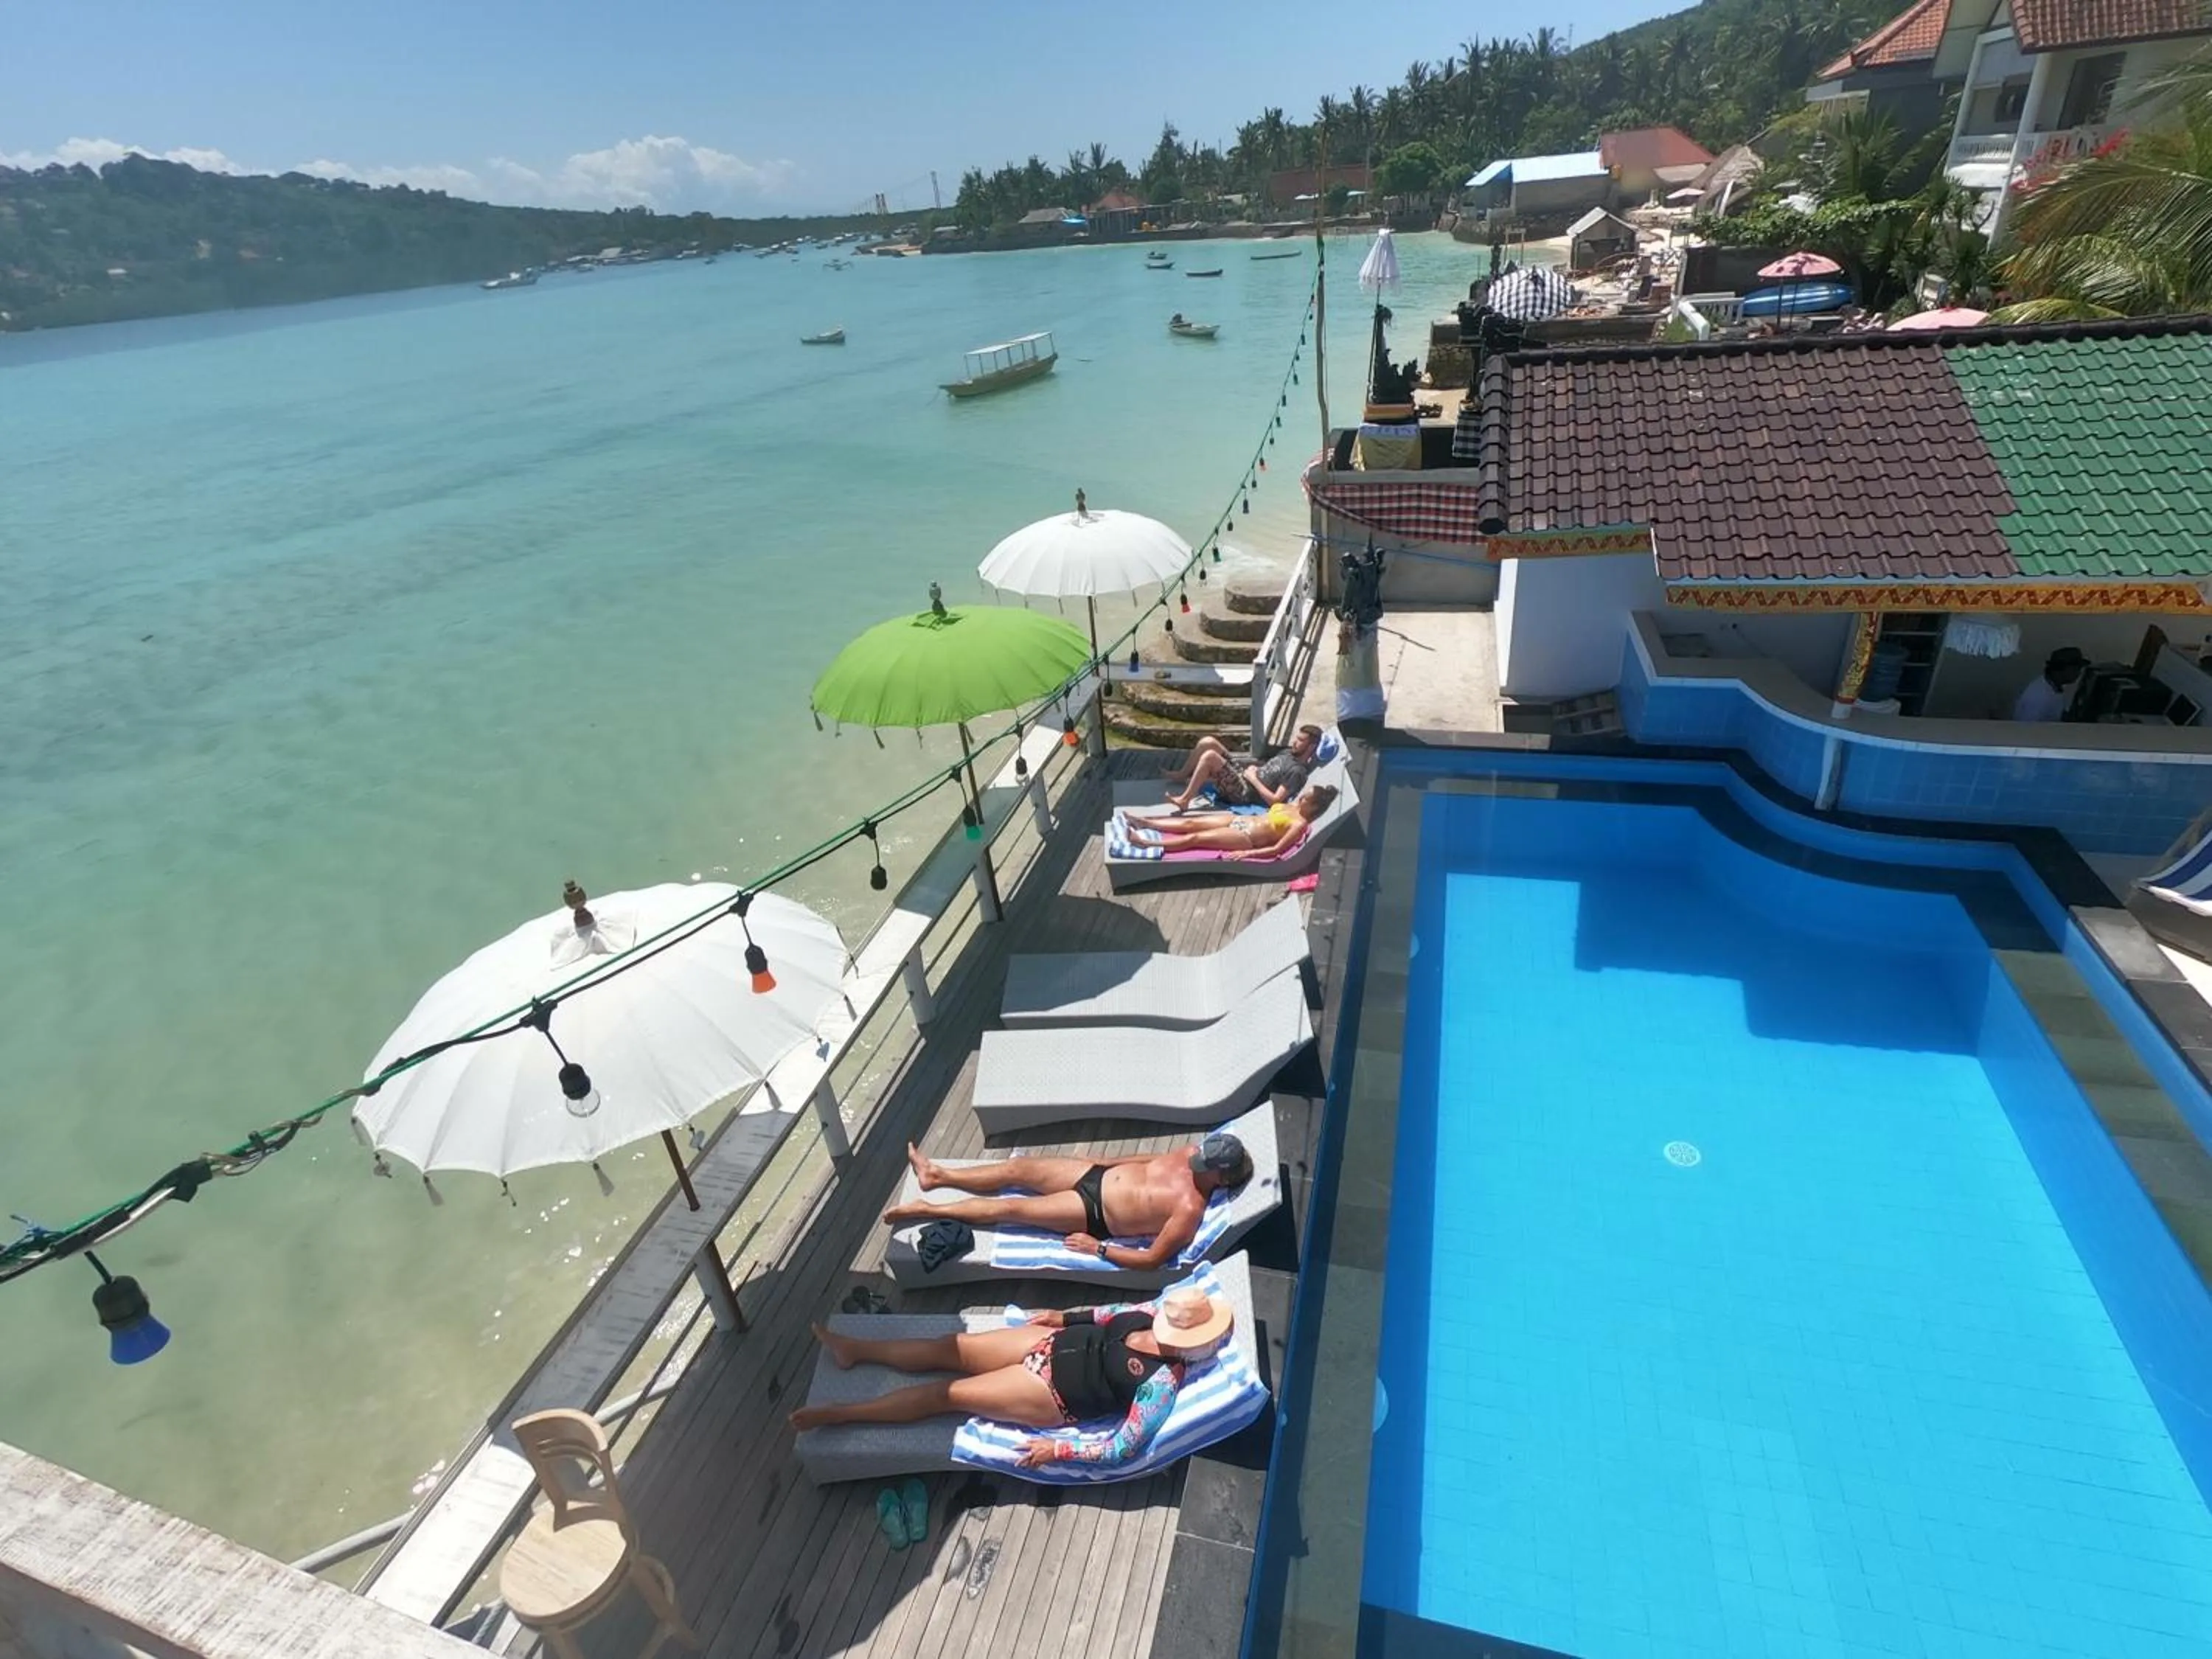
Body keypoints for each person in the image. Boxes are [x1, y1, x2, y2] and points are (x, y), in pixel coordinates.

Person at [789, 1285, 1235, 1468]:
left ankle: (841, 1415)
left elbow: (1122, 1447)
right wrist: (1061, 1316)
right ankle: (855, 1350)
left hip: (1052, 1395)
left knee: (947, 1394)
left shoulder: (1162, 1383)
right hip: (1043, 1343)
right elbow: (1105, 1314)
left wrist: (1055, 1449)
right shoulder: (1152, 1313)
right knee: (948, 1348)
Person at [883, 1132, 1255, 1273]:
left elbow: (1153, 1259)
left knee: (1012, 1209)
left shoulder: (1190, 1209)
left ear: (1221, 1178)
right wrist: (1102, 1163)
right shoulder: (1193, 1150)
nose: (1194, 1160)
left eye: (1204, 1165)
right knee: (1019, 1168)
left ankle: (926, 1211)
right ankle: (938, 1176)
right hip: (1093, 1175)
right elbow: (1146, 1161)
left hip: (1095, 1214)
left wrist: (1099, 1249)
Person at [1123, 784, 1338, 862]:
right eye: (1303, 795)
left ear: (1314, 806)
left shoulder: (1299, 824)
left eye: (1306, 799)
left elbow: (1277, 849)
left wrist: (1247, 854)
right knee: (1191, 823)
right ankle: (1145, 822)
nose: (1301, 798)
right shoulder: (1292, 806)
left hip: (1247, 838)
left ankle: (1144, 843)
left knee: (1194, 838)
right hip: (1239, 820)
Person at [1162, 723, 1323, 811]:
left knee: (1210, 757)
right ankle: (1182, 775)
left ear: (1311, 747)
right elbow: (1269, 767)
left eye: (1301, 740)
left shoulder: (1297, 772)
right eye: (1297, 738)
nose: (1295, 742)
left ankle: (1184, 800)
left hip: (1245, 792)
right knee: (1208, 742)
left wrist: (1253, 778)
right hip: (1245, 777)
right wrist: (1253, 769)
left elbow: (1275, 802)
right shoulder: (1288, 753)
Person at [2013, 646, 2088, 722]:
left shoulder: (2053, 687)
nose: (2079, 673)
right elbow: (2028, 730)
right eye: (2076, 669)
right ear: (2061, 668)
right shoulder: (2039, 697)